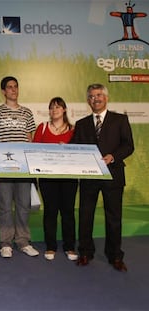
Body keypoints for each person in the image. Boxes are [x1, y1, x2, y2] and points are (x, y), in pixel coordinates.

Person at [71, 83, 134, 272]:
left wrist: (113, 156)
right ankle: (85, 252)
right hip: (89, 178)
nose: (95, 99)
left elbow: (128, 146)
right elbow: (75, 148)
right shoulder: (81, 124)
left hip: (113, 175)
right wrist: (63, 147)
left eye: (99, 95)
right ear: (87, 100)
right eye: (91, 96)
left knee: (114, 218)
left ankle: (115, 256)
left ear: (106, 98)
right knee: (85, 216)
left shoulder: (120, 120)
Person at [0, 76, 39, 258]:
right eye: (9, 87)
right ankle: (6, 243)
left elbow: (29, 140)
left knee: (24, 205)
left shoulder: (27, 113)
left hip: (23, 168)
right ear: (3, 91)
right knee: (5, 206)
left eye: (16, 86)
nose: (13, 90)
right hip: (4, 168)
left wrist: (31, 165)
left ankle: (23, 241)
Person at [32, 97, 78, 261]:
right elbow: (33, 151)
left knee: (68, 212)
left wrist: (67, 149)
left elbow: (79, 153)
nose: (54, 110)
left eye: (58, 107)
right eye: (51, 108)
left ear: (64, 110)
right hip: (47, 177)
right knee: (50, 212)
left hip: (69, 177)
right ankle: (51, 247)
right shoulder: (42, 128)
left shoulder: (74, 129)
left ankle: (70, 247)